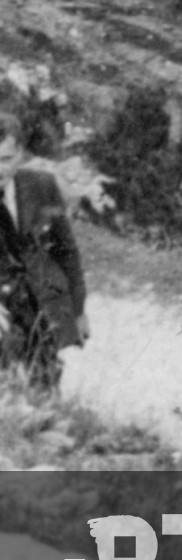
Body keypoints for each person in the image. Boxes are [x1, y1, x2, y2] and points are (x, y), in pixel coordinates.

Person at [0, 114, 87, 388]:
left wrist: (78, 309)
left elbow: (66, 250)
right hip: (4, 309)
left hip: (42, 303)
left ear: (21, 156)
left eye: (5, 159)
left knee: (46, 382)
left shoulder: (42, 185)